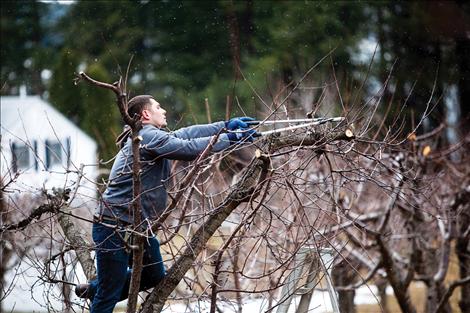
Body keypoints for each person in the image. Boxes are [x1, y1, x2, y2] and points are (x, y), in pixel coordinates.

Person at [75, 95, 255, 313]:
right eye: (158, 107)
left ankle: (96, 288)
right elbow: (188, 149)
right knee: (108, 295)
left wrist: (224, 127)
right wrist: (231, 139)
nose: (164, 111)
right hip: (114, 226)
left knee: (153, 274)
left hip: (138, 227)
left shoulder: (151, 137)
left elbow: (186, 134)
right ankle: (102, 290)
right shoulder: (147, 136)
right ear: (146, 114)